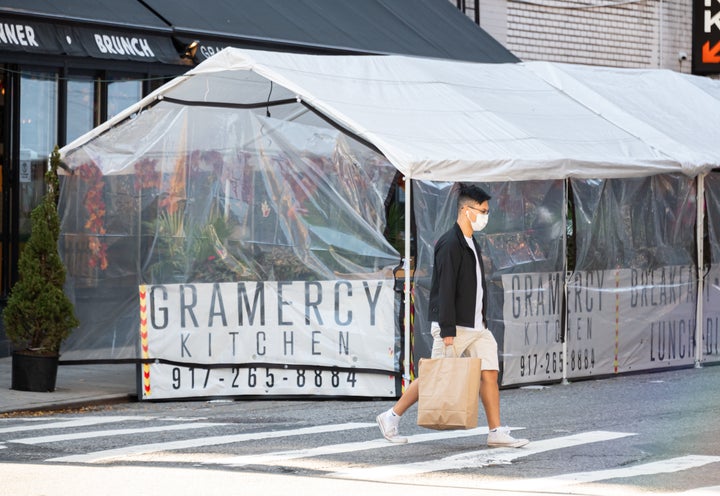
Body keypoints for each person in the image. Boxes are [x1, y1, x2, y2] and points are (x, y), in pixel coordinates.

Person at [376, 183, 529, 448]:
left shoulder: (471, 241)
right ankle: (391, 416)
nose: (485, 216)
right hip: (455, 327)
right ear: (465, 210)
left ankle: (496, 431)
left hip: (477, 326)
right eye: (482, 211)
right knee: (434, 376)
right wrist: (447, 331)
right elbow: (444, 288)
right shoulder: (449, 243)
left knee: (489, 372)